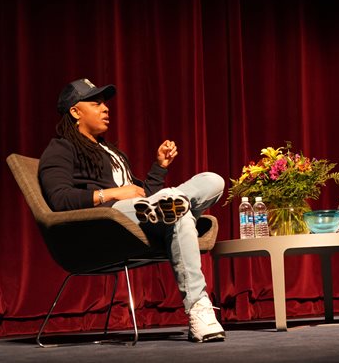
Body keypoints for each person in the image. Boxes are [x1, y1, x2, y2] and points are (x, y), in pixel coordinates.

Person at [38, 78, 226, 342]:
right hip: (108, 224)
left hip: (142, 214)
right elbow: (59, 199)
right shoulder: (61, 148)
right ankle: (199, 309)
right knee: (175, 212)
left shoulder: (111, 151)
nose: (105, 108)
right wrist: (113, 193)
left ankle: (173, 204)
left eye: (105, 103)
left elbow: (142, 194)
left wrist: (159, 166)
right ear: (75, 112)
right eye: (96, 103)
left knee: (212, 180)